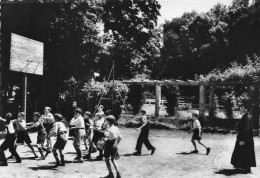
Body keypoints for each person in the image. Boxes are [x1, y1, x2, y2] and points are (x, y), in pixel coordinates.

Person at [231, 106, 256, 173]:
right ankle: (243, 165)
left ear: (246, 109)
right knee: (244, 151)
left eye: (243, 108)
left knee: (244, 151)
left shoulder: (247, 117)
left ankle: (245, 166)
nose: (241, 109)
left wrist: (242, 139)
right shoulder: (247, 116)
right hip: (246, 137)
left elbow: (246, 128)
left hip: (245, 137)